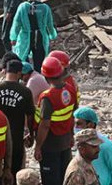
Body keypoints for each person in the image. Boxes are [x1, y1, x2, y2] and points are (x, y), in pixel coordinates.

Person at [0, 58, 36, 179]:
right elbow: (30, 115)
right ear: (19, 73)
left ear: (6, 71)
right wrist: (31, 134)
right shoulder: (25, 91)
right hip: (16, 139)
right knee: (14, 172)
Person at [33, 57, 77, 185]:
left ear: (45, 76)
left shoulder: (47, 97)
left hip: (50, 145)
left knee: (51, 180)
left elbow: (45, 125)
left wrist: (38, 147)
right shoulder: (70, 88)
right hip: (65, 142)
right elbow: (71, 115)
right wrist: (72, 135)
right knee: (64, 177)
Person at [11, 0, 57, 72]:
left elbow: (17, 23)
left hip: (26, 37)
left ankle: (26, 75)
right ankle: (39, 77)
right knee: (39, 59)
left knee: (23, 57)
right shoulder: (45, 7)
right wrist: (52, 35)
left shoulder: (23, 7)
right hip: (40, 37)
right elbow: (49, 23)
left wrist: (14, 37)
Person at [73, 107, 112, 185]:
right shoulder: (79, 142)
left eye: (79, 124)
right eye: (74, 124)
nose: (75, 127)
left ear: (90, 125)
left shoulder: (105, 145)